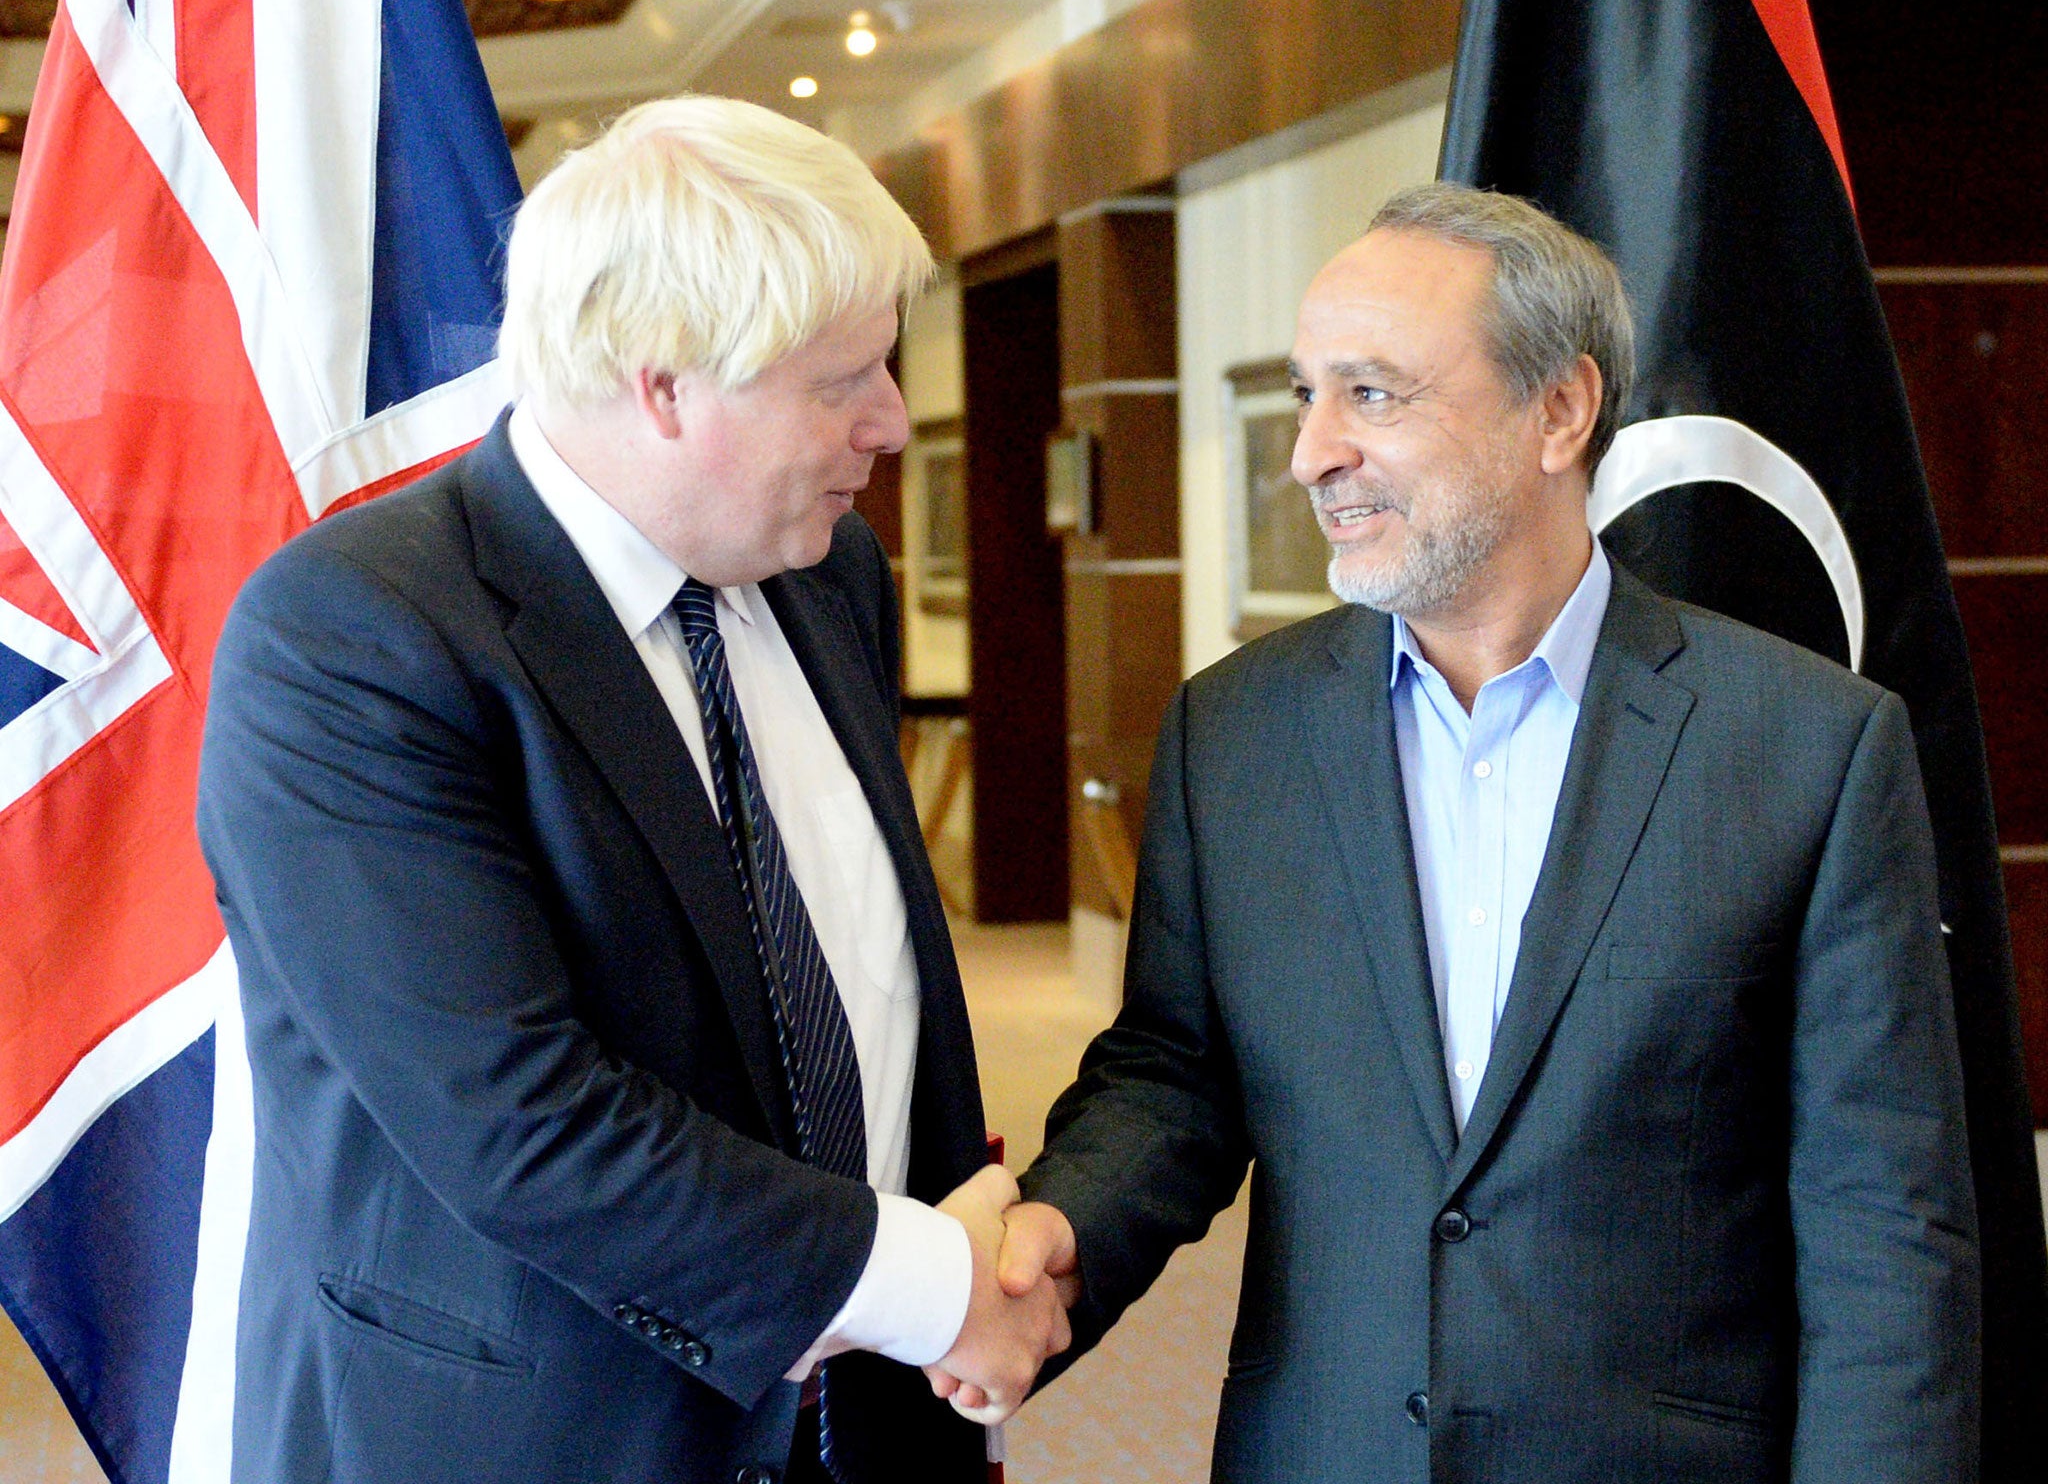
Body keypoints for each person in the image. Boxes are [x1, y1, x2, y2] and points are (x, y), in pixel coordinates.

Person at [985, 183, 1981, 1481]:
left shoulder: (1807, 750)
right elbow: (1174, 1078)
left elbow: (1886, 1235)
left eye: (1373, 395)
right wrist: (1049, 1242)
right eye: (1304, 396)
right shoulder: (1234, 738)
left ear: (1560, 409)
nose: (1312, 454)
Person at [197, 95, 1063, 1484]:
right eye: (845, 379)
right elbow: (518, 1117)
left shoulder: (832, 577)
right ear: (664, 384)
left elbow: (868, 977)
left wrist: (956, 1290)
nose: (893, 425)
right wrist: (926, 1279)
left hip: (878, 1424)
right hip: (544, 1437)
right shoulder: (354, 636)